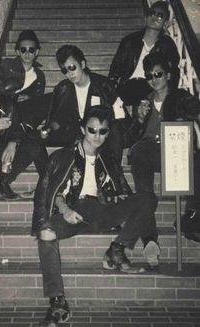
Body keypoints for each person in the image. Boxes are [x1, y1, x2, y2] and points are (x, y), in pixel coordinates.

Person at [32, 105, 157, 326]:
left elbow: (122, 191)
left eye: (103, 131)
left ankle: (115, 251)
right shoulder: (63, 157)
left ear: (108, 133)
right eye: (92, 130)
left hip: (102, 210)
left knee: (147, 199)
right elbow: (52, 192)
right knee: (46, 234)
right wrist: (65, 210)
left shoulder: (107, 158)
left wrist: (118, 204)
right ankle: (57, 300)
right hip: (74, 210)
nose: (97, 136)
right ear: (83, 129)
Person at [127, 52, 200, 244]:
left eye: (158, 74)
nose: (153, 79)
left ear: (168, 75)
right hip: (149, 149)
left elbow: (195, 110)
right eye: (149, 76)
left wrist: (185, 117)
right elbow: (132, 137)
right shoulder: (145, 102)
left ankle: (191, 218)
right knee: (139, 157)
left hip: (176, 147)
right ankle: (149, 234)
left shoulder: (181, 97)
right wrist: (140, 119)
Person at [45, 44, 130, 165]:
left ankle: (114, 172)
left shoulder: (103, 85)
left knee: (115, 129)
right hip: (76, 133)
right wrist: (49, 128)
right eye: (65, 70)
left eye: (72, 67)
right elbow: (58, 119)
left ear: (83, 64)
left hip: (101, 132)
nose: (69, 73)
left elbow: (120, 116)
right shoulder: (63, 88)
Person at [0, 29, 49, 186]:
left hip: (25, 116)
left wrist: (30, 100)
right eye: (23, 49)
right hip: (4, 114)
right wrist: (15, 98)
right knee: (35, 140)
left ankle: (47, 186)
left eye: (31, 50)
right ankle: (49, 186)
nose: (27, 53)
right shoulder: (5, 66)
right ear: (17, 51)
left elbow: (37, 105)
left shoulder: (39, 76)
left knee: (51, 99)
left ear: (37, 52)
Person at [108, 1, 180, 105]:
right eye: (151, 13)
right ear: (145, 18)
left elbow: (173, 72)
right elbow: (116, 67)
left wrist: (169, 95)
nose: (154, 17)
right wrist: (112, 88)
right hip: (128, 87)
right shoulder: (130, 40)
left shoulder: (167, 45)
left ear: (166, 23)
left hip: (152, 87)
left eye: (160, 16)